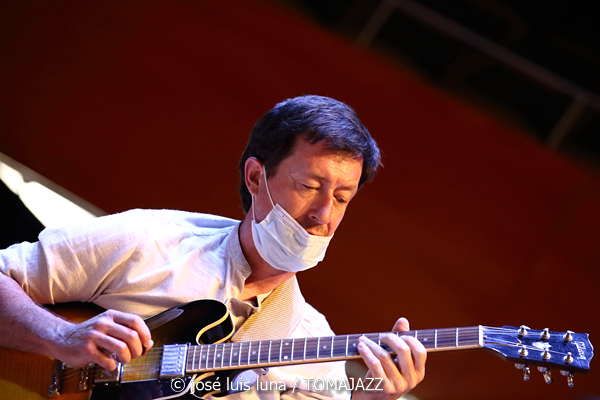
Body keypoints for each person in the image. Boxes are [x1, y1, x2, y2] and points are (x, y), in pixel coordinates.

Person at [0, 95, 426, 400]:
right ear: (256, 177)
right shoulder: (149, 239)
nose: (323, 214)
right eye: (310, 186)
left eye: (342, 198)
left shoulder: (314, 344)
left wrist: (372, 398)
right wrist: (59, 336)